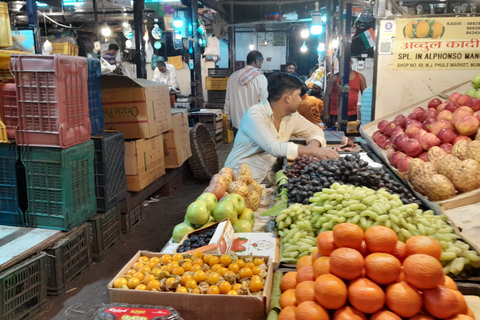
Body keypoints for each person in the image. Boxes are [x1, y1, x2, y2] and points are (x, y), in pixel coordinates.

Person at [225, 73, 339, 184]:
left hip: (268, 180)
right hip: (238, 180)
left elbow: (315, 131)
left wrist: (312, 147)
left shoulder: (291, 116)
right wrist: (315, 151)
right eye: (298, 95)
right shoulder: (255, 115)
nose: (300, 100)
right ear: (288, 98)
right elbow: (274, 147)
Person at [224, 51, 268, 135]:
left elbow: (228, 99)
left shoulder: (233, 76)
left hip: (237, 123)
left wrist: (228, 118)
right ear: (257, 61)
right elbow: (263, 101)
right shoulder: (261, 78)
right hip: (254, 124)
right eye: (261, 63)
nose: (261, 66)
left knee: (239, 147)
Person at [323, 60, 367, 126]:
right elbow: (327, 95)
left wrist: (365, 115)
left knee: (349, 135)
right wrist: (325, 114)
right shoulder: (334, 77)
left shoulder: (360, 77)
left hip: (352, 114)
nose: (346, 64)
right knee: (335, 134)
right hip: (335, 113)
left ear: (351, 62)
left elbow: (365, 96)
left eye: (348, 62)